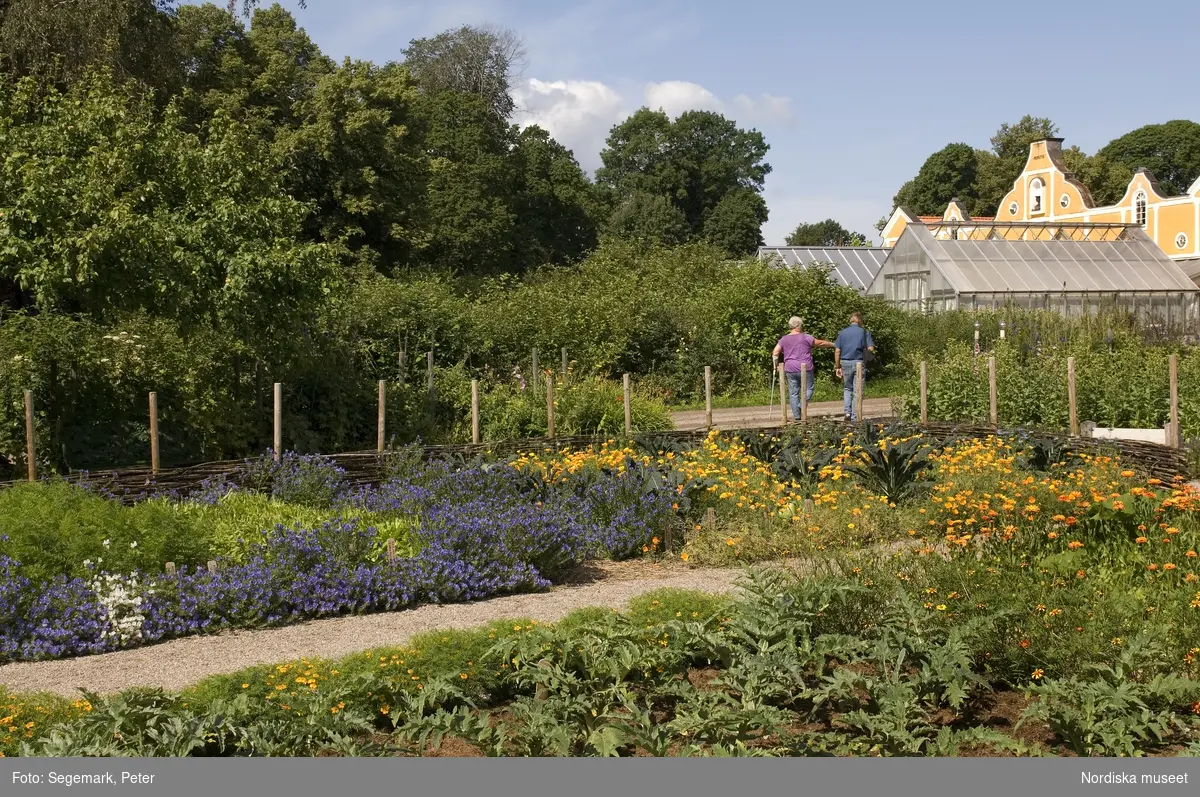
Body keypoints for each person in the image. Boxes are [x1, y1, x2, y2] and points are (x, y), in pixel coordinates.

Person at [772, 317, 835, 423]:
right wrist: (833, 344)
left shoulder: (783, 339)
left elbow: (775, 353)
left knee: (793, 392)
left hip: (790, 368)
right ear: (799, 326)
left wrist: (776, 365)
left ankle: (797, 416)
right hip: (805, 368)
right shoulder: (805, 337)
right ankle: (801, 405)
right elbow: (820, 343)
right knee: (809, 388)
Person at [834, 312, 875, 422]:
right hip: (859, 363)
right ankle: (855, 416)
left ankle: (847, 412)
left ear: (850, 320)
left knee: (847, 388)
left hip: (845, 362)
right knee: (858, 390)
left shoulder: (842, 333)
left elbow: (837, 351)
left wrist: (837, 366)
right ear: (860, 321)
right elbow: (870, 348)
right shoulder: (864, 332)